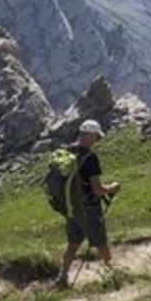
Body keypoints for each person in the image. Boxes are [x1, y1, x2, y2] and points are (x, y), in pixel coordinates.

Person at [57, 119, 120, 288]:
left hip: (71, 207)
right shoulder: (90, 158)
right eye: (96, 137)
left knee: (73, 243)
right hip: (89, 208)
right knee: (100, 242)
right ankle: (112, 274)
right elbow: (97, 189)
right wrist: (112, 188)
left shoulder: (68, 151)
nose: (97, 141)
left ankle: (62, 277)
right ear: (91, 135)